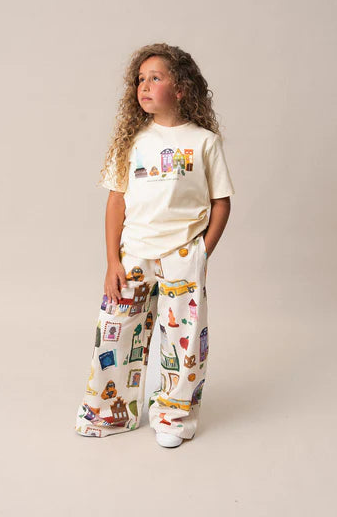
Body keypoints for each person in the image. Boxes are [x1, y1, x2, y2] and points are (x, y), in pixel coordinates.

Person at [74, 43, 235, 448]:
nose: (144, 86)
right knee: (116, 332)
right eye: (140, 79)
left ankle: (174, 416)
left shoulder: (204, 142)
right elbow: (116, 201)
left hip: (183, 254)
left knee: (183, 340)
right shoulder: (131, 141)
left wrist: (201, 252)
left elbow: (221, 202)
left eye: (155, 78)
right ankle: (109, 412)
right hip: (134, 253)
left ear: (180, 88)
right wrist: (112, 261)